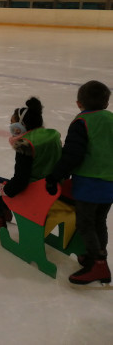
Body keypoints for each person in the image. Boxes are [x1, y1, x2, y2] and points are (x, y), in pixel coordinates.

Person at [45, 80, 113, 285]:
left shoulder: (82, 122)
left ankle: (99, 266)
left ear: (78, 103)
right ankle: (96, 257)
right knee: (100, 221)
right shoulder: (111, 119)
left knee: (85, 223)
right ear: (107, 103)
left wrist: (55, 176)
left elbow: (72, 154)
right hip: (110, 183)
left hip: (90, 184)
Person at [0, 97, 62, 231]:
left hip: (36, 192)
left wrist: (6, 190)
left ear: (21, 125)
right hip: (54, 188)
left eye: (12, 123)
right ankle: (3, 210)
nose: (11, 126)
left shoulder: (25, 144)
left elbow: (21, 180)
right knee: (7, 184)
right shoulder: (51, 135)